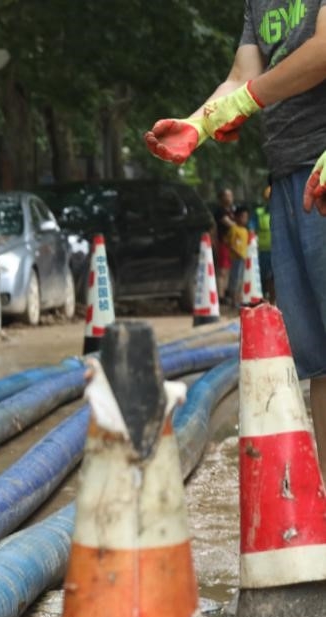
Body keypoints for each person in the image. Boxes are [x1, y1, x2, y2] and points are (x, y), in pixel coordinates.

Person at [144, 0, 326, 477]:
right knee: (318, 361)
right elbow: (242, 76)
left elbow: (323, 50)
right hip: (289, 173)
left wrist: (245, 100)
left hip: (322, 166)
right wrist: (199, 121)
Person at [226, 205, 251, 303]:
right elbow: (231, 244)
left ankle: (238, 299)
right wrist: (238, 254)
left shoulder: (245, 230)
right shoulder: (234, 229)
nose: (244, 219)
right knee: (235, 279)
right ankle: (233, 299)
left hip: (243, 258)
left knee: (241, 279)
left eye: (246, 217)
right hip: (236, 258)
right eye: (242, 217)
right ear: (236, 217)